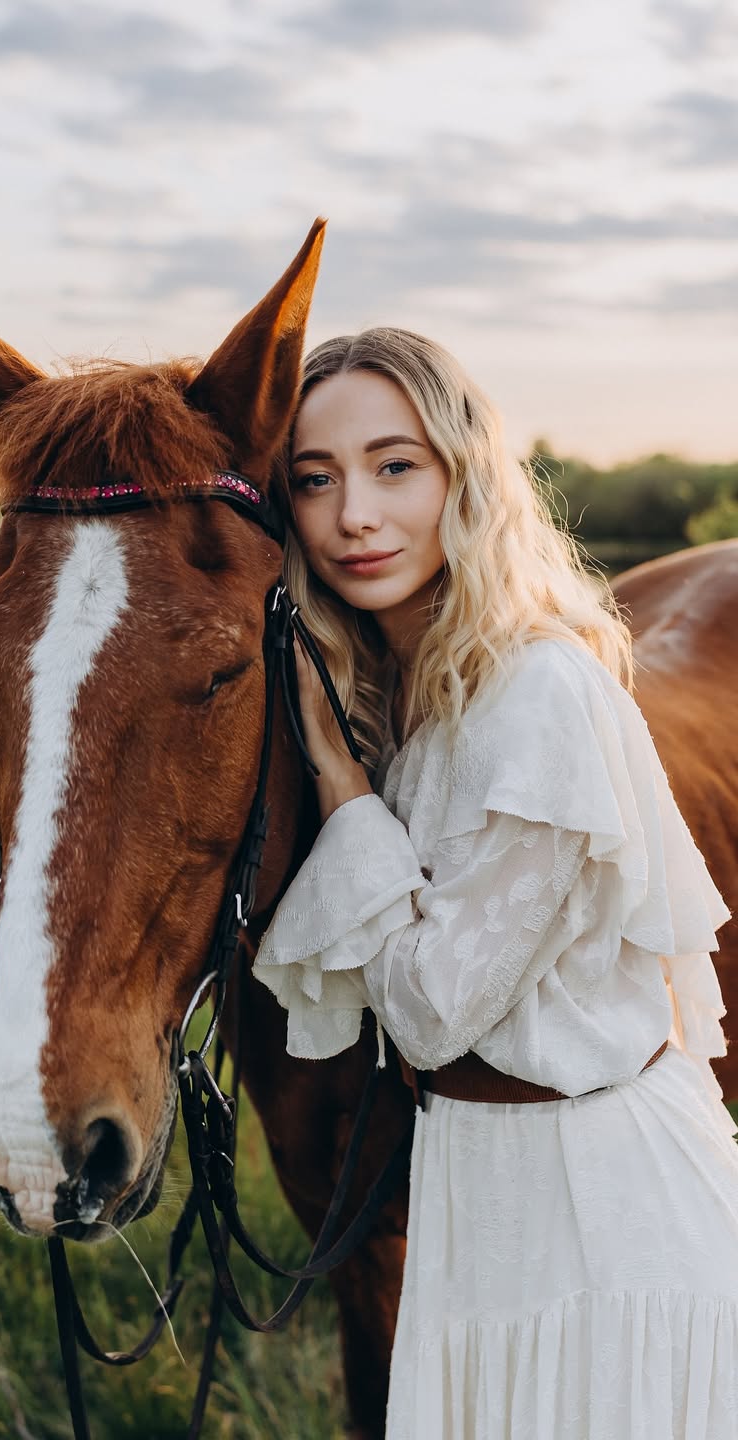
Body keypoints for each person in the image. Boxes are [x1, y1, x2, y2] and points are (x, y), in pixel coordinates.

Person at [250, 327, 738, 1440]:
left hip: (608, 1214)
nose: (355, 515)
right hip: (485, 1200)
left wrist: (342, 787)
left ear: (465, 476)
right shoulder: (405, 696)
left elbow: (430, 1013)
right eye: (315, 479)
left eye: (395, 466)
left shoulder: (538, 693)